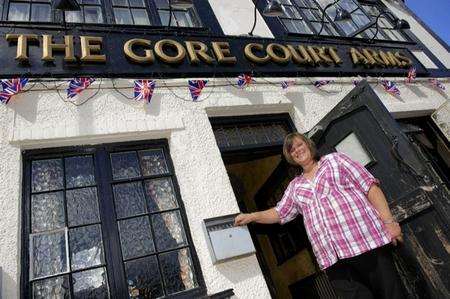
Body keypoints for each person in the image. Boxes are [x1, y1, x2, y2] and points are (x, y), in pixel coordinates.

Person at [234, 132, 405, 299]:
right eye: (292, 150)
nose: (297, 150)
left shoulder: (336, 160)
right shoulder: (295, 186)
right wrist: (252, 216)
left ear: (308, 145)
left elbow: (369, 186)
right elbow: (279, 212)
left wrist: (389, 222)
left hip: (366, 243)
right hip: (332, 259)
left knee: (392, 294)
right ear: (290, 157)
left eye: (300, 144)